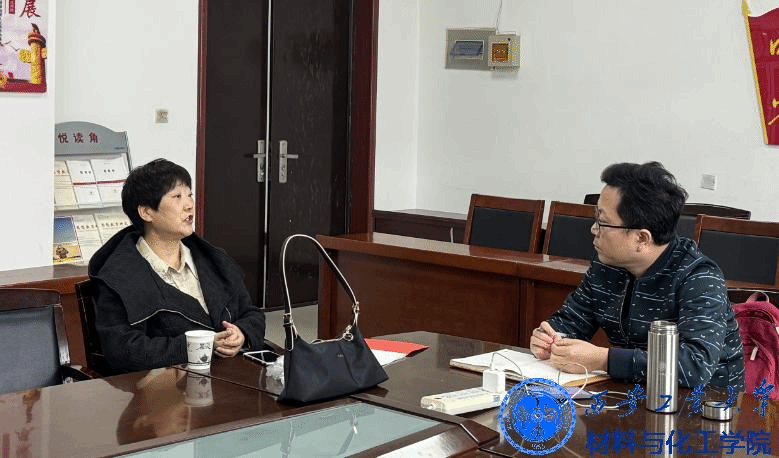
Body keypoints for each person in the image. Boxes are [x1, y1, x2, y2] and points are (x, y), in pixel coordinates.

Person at [530, 162, 744, 390]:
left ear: (642, 238)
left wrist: (604, 360)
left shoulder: (699, 278)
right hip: (638, 392)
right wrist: (548, 337)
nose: (593, 229)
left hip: (707, 402)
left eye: (603, 222)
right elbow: (572, 320)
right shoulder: (606, 265)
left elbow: (695, 365)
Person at [89, 158, 266, 374]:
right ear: (146, 212)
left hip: (232, 377)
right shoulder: (118, 277)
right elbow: (124, 351)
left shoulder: (214, 260)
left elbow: (251, 313)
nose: (189, 204)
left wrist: (242, 333)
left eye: (190, 195)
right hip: (166, 388)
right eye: (177, 197)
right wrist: (197, 345)